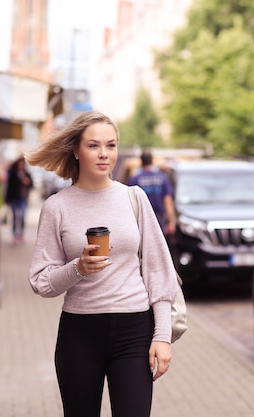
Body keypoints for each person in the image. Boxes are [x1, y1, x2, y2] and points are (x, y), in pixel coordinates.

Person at [25, 110, 177, 417]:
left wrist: (162, 336)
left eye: (111, 145)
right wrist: (78, 268)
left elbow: (159, 270)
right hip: (79, 333)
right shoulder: (57, 207)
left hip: (135, 330)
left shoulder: (134, 198)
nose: (104, 153)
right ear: (76, 151)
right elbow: (41, 281)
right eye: (94, 145)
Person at [128, 150, 176, 236]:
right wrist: (171, 222)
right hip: (159, 219)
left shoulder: (135, 179)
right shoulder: (162, 178)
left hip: (142, 220)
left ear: (141, 162)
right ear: (152, 161)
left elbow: (130, 204)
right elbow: (168, 202)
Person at [5, 157, 33, 244]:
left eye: (22, 164)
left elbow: (32, 185)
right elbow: (9, 187)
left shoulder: (27, 174)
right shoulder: (13, 174)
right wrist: (7, 199)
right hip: (14, 198)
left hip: (23, 199)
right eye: (20, 164)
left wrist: (27, 182)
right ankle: (15, 235)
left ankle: (21, 234)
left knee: (22, 217)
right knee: (14, 217)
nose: (21, 166)